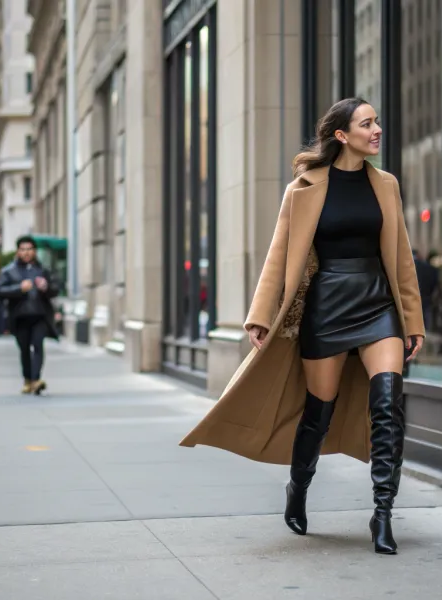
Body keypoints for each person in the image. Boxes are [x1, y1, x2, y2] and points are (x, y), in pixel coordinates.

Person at [180, 98, 425, 555]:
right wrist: (260, 314)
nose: (377, 130)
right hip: (327, 306)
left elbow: (402, 257)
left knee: (389, 405)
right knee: (318, 413)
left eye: (376, 121)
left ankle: (383, 512)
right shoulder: (305, 187)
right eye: (367, 123)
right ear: (341, 135)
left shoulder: (385, 184)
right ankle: (298, 485)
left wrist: (412, 320)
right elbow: (278, 254)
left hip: (377, 303)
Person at [0, 235, 60, 394]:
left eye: (29, 249)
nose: (26, 253)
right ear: (18, 251)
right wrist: (19, 289)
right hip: (19, 317)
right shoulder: (9, 271)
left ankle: (36, 379)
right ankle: (27, 379)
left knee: (38, 345)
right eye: (23, 249)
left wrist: (46, 287)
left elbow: (55, 288)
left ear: (34, 251)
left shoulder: (43, 270)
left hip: (40, 315)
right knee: (24, 349)